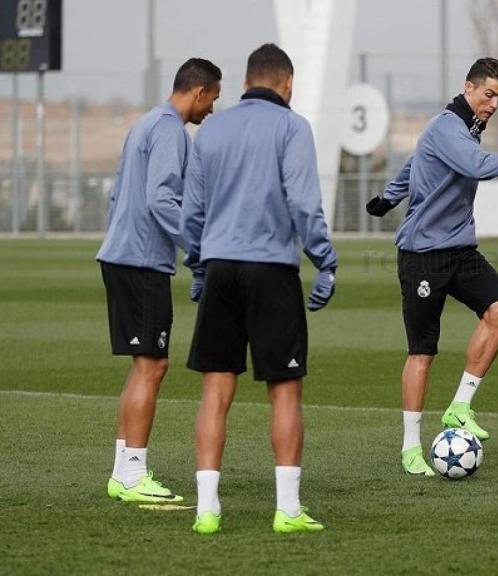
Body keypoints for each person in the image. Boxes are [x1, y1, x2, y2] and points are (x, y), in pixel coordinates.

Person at [365, 57, 498, 476]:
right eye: (489, 94)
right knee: (422, 353)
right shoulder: (447, 127)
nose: (494, 104)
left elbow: (416, 161)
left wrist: (389, 195)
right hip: (422, 254)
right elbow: (478, 166)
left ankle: (459, 406)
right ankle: (409, 448)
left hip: (460, 250)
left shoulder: (467, 127)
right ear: (469, 88)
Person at [181, 43, 337, 535]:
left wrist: (198, 266)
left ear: (247, 82)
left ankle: (207, 508)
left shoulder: (212, 129)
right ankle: (287, 509)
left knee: (215, 390)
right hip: (270, 270)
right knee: (284, 391)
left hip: (221, 266)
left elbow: (191, 213)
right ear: (286, 83)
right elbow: (303, 203)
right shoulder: (293, 127)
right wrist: (324, 261)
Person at [97, 58, 221, 503]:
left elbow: (117, 192)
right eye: (213, 100)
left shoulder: (146, 122)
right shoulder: (169, 129)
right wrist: (197, 247)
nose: (211, 111)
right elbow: (161, 199)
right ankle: (133, 475)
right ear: (200, 91)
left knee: (143, 365)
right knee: (153, 365)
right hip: (141, 261)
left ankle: (122, 472)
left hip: (123, 255)